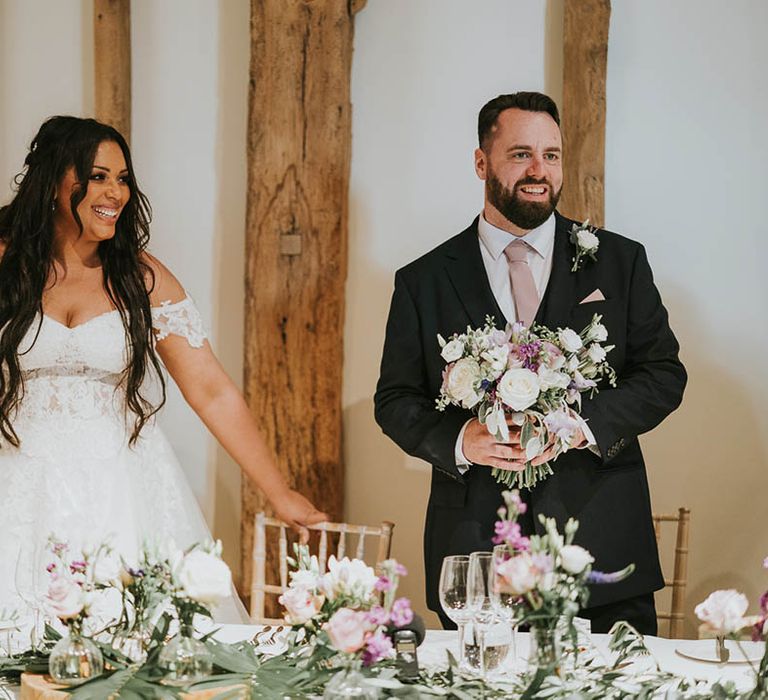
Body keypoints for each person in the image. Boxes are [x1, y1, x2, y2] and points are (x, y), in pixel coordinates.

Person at [374, 92, 686, 635]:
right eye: (521, 154)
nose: (539, 171)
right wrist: (459, 441)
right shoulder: (422, 280)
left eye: (552, 155)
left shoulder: (619, 262)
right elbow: (395, 399)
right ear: (481, 163)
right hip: (476, 554)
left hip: (602, 544)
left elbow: (663, 374)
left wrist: (584, 426)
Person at [0, 116, 327, 621]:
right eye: (99, 176)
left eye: (123, 178)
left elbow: (211, 389)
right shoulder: (6, 266)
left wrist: (279, 492)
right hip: (18, 486)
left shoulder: (139, 277)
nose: (116, 191)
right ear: (54, 181)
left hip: (122, 494)